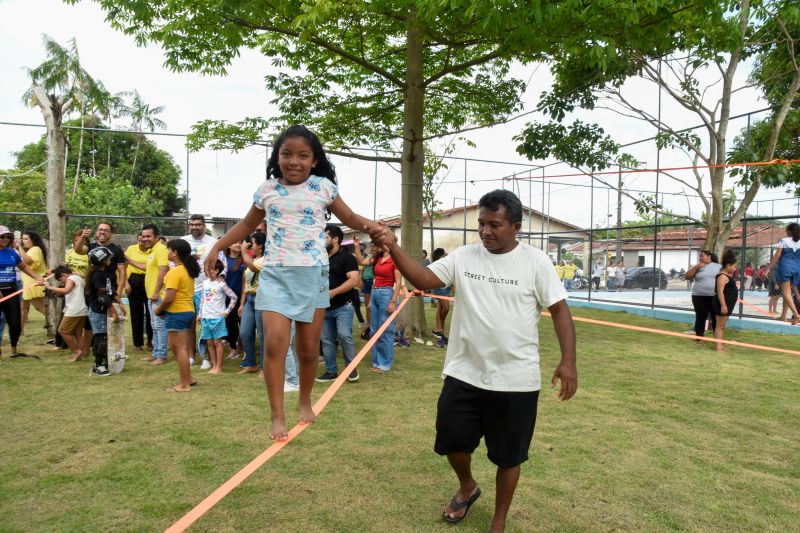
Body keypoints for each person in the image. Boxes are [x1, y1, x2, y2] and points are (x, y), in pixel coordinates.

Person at [369, 189, 577, 532]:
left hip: (516, 379)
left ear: (515, 226)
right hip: (464, 372)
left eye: (493, 225)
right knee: (451, 440)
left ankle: (498, 520)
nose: (485, 232)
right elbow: (422, 279)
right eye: (481, 224)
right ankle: (467, 485)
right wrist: (391, 245)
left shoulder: (535, 262)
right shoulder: (464, 257)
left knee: (509, 456)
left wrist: (568, 360)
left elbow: (559, 310)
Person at [204, 125, 380, 441]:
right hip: (276, 277)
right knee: (274, 344)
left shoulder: (324, 187)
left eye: (302, 155)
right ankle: (276, 414)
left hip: (312, 277)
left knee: (309, 350)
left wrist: (377, 228)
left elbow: (352, 219)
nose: (294, 161)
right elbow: (246, 225)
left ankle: (303, 400)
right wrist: (217, 246)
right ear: (278, 157)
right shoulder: (267, 190)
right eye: (287, 154)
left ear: (314, 160)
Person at [154, 239, 200, 392]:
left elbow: (169, 297)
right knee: (182, 348)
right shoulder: (186, 269)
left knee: (178, 349)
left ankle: (184, 384)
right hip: (187, 311)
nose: (167, 253)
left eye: (169, 250)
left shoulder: (175, 271)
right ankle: (188, 379)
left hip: (177, 313)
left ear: (174, 253)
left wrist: (159, 310)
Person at [316, 224, 360, 383]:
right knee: (326, 340)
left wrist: (334, 292)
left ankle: (351, 368)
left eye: (325, 237)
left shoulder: (347, 258)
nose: (322, 240)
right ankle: (331, 371)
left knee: (344, 335)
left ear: (335, 239)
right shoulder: (320, 257)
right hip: (323, 308)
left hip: (343, 306)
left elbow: (354, 280)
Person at [182, 214, 226, 370]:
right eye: (192, 224)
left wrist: (220, 278)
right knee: (189, 325)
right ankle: (190, 356)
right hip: (186, 289)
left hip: (207, 290)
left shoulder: (213, 242)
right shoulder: (183, 241)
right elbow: (173, 264)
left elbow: (222, 264)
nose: (194, 227)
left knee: (206, 325)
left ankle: (206, 357)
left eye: (198, 224)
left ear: (204, 225)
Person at [0, 225, 45, 358]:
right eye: (2, 237)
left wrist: (37, 277)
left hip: (11, 290)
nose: (6, 239)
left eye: (8, 237)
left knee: (15, 323)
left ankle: (14, 349)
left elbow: (24, 267)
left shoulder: (12, 252)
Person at [86, 246, 126, 376]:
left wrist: (119, 302)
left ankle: (105, 361)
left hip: (105, 309)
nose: (110, 260)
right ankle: (98, 365)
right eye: (108, 258)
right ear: (103, 260)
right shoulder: (97, 275)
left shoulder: (106, 273)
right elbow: (102, 296)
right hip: (98, 311)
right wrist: (113, 311)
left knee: (106, 337)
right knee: (100, 337)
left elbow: (110, 290)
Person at [365, 238, 403, 372]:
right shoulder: (378, 259)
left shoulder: (395, 260)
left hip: (387, 294)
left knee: (386, 330)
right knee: (374, 329)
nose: (378, 246)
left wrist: (393, 301)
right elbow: (363, 264)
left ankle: (385, 363)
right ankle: (375, 360)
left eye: (380, 244)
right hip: (375, 292)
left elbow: (398, 282)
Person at [197, 259, 237, 374]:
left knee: (217, 342)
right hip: (206, 317)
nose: (209, 271)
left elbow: (234, 297)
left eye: (211, 269)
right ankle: (214, 365)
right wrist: (200, 314)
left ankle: (219, 367)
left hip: (217, 318)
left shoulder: (221, 284)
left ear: (217, 271)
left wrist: (227, 311)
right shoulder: (205, 283)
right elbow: (202, 300)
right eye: (207, 269)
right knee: (209, 342)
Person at [45, 265, 88, 362]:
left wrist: (50, 287)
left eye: (60, 280)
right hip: (81, 309)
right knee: (78, 333)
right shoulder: (78, 278)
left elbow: (66, 290)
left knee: (63, 330)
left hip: (74, 309)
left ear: (63, 275)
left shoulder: (71, 278)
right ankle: (80, 354)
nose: (62, 282)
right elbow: (64, 292)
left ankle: (76, 351)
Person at [141, 225, 169, 365]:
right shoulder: (152, 251)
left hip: (157, 295)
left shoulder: (161, 249)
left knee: (160, 325)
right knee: (154, 325)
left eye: (148, 236)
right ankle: (156, 353)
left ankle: (162, 355)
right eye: (144, 236)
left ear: (156, 237)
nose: (145, 239)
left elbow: (163, 270)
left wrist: (157, 291)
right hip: (151, 295)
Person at [237, 234, 266, 374]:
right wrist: (242, 304)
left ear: (260, 245)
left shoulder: (265, 259)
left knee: (263, 334)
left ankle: (264, 368)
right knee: (244, 332)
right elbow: (246, 284)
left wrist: (243, 250)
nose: (250, 247)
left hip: (262, 299)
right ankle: (250, 363)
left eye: (252, 244)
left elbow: (254, 268)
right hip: (249, 299)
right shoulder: (252, 259)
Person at [125, 231, 154, 352]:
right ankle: (138, 343)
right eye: (140, 240)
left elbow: (149, 267)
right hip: (134, 281)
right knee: (136, 313)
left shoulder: (153, 251)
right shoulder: (131, 249)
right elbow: (124, 266)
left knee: (150, 313)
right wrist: (126, 283)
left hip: (149, 280)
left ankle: (151, 341)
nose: (143, 242)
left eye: (145, 239)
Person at [684, 249, 722, 342]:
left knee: (715, 318)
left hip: (714, 296)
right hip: (699, 296)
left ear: (709, 256)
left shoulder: (719, 267)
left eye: (702, 256)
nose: (700, 258)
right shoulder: (696, 267)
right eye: (699, 256)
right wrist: (696, 267)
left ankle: (717, 340)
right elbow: (687, 276)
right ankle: (699, 338)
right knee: (700, 317)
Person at [767, 223, 800, 325]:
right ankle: (783, 316)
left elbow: (777, 256)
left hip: (785, 268)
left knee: (786, 292)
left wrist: (769, 268)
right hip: (796, 269)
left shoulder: (784, 241)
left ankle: (796, 315)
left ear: (789, 231)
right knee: (789, 292)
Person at [17, 231, 49, 334]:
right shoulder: (33, 249)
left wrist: (19, 248)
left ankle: (56, 323)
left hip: (34, 283)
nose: (23, 241)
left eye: (26, 239)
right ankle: (20, 331)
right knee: (23, 308)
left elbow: (28, 261)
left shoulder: (35, 249)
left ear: (33, 240)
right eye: (23, 239)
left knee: (40, 307)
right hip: (29, 283)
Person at [86, 222, 127, 294]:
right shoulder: (89, 247)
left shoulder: (117, 250)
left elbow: (122, 272)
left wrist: (119, 290)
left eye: (106, 230)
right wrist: (83, 237)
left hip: (110, 287)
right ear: (97, 232)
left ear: (111, 234)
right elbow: (77, 249)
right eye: (100, 229)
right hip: (91, 287)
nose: (102, 232)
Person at [712, 249, 738, 352]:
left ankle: (720, 345)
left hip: (728, 304)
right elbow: (719, 291)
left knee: (722, 326)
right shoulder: (722, 276)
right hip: (722, 304)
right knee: (720, 326)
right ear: (728, 265)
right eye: (734, 266)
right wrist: (723, 305)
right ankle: (718, 348)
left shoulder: (726, 276)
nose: (735, 269)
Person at [224, 240, 246, 359]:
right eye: (235, 242)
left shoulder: (245, 260)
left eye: (240, 242)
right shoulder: (224, 260)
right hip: (228, 298)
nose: (237, 244)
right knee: (231, 324)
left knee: (244, 325)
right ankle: (233, 348)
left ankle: (244, 348)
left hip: (243, 297)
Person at [353, 238, 375, 337]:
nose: (371, 248)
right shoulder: (370, 257)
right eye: (371, 246)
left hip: (373, 283)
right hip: (367, 282)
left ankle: (374, 326)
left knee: (371, 306)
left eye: (373, 246)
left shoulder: (377, 258)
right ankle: (369, 326)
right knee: (367, 306)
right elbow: (361, 263)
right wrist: (361, 279)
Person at [430, 247, 452, 347]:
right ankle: (440, 327)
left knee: (441, 308)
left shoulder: (447, 261)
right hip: (439, 288)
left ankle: (439, 328)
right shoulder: (436, 264)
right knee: (446, 308)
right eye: (444, 254)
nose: (446, 254)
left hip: (446, 288)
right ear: (440, 255)